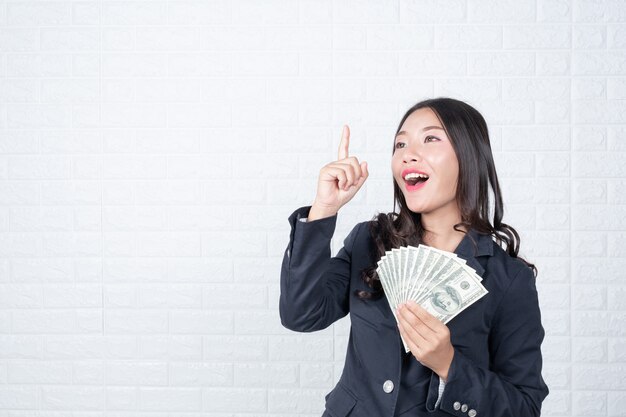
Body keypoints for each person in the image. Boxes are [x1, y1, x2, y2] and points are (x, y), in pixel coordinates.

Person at [279, 97, 549, 417]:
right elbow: (301, 315)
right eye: (400, 144)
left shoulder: (508, 279)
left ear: (469, 155)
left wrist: (450, 365)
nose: (408, 154)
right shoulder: (368, 241)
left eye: (430, 138)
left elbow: (524, 408)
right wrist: (323, 209)